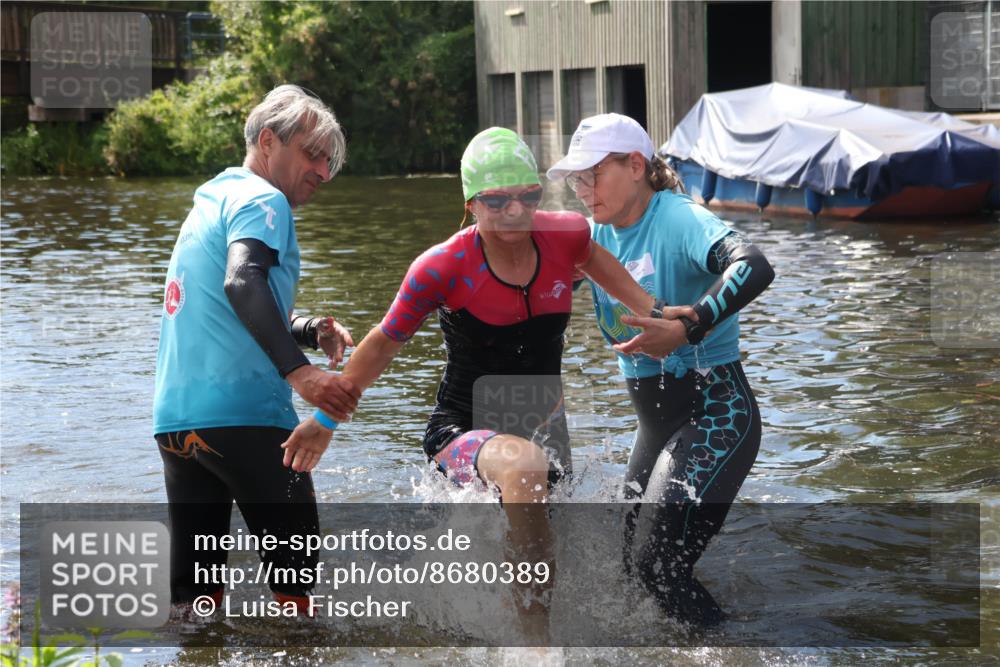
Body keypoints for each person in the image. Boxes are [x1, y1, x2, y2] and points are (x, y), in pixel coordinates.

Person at [279, 127, 694, 641]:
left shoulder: (565, 236)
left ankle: (515, 613)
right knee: (523, 467)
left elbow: (610, 273)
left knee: (537, 500)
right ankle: (535, 648)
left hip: (544, 427)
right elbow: (384, 343)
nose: (516, 213)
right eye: (497, 201)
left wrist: (663, 319)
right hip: (462, 429)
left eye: (528, 197)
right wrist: (323, 419)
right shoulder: (442, 266)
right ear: (471, 203)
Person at [547, 113, 775, 626]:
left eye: (592, 175)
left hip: (715, 415)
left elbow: (753, 264)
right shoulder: (596, 234)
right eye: (576, 179)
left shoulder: (678, 220)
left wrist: (689, 324)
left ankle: (739, 656)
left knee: (657, 569)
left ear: (635, 166)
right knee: (631, 569)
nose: (582, 190)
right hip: (654, 428)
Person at [152, 84, 361, 615]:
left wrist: (309, 327)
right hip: (246, 419)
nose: (323, 171)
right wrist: (302, 374)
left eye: (329, 159)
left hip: (177, 424)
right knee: (296, 594)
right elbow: (243, 282)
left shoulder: (214, 196)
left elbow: (226, 299)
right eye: (313, 154)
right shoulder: (265, 200)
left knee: (195, 604)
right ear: (269, 141)